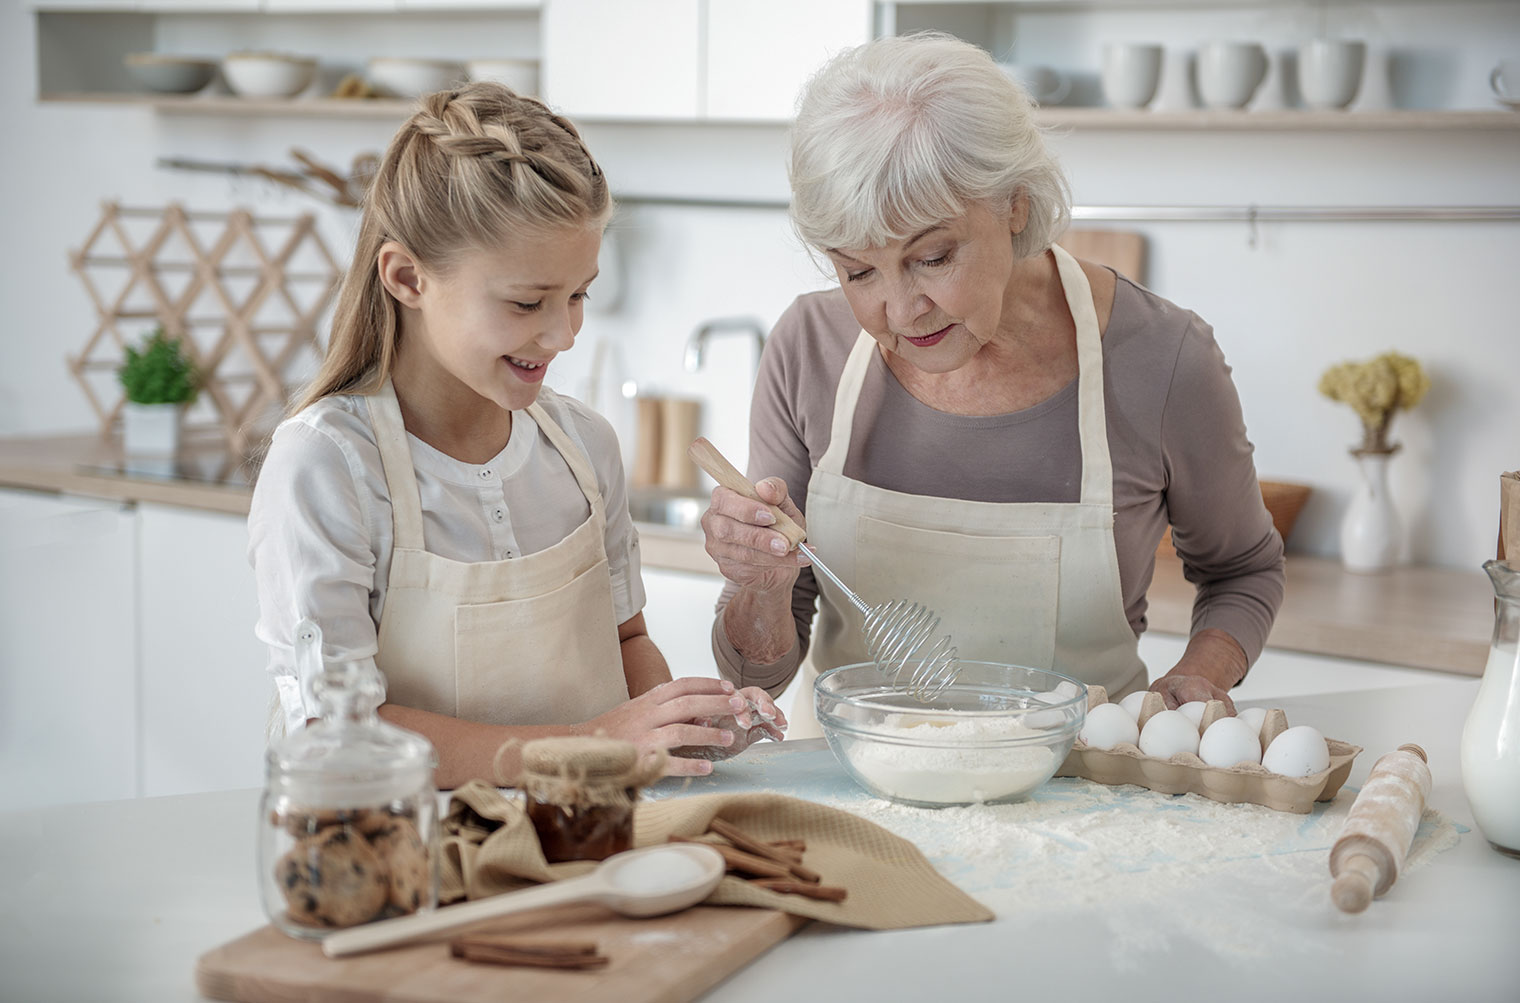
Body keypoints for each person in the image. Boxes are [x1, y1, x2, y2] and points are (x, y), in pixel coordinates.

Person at [702, 34, 1285, 736]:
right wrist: (759, 587)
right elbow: (754, 674)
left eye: (933, 257)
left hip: (1080, 802)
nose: (899, 308)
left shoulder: (1162, 359)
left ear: (1014, 203)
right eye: (858, 271)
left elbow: (1243, 569)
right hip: (851, 793)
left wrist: (1204, 671)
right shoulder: (808, 348)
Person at [249, 82, 783, 787]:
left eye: (579, 294)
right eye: (528, 301)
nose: (563, 334)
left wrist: (676, 728)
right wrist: (592, 743)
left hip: (593, 847)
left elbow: (626, 644)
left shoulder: (585, 448)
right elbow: (338, 732)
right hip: (417, 869)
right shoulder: (327, 467)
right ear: (407, 277)